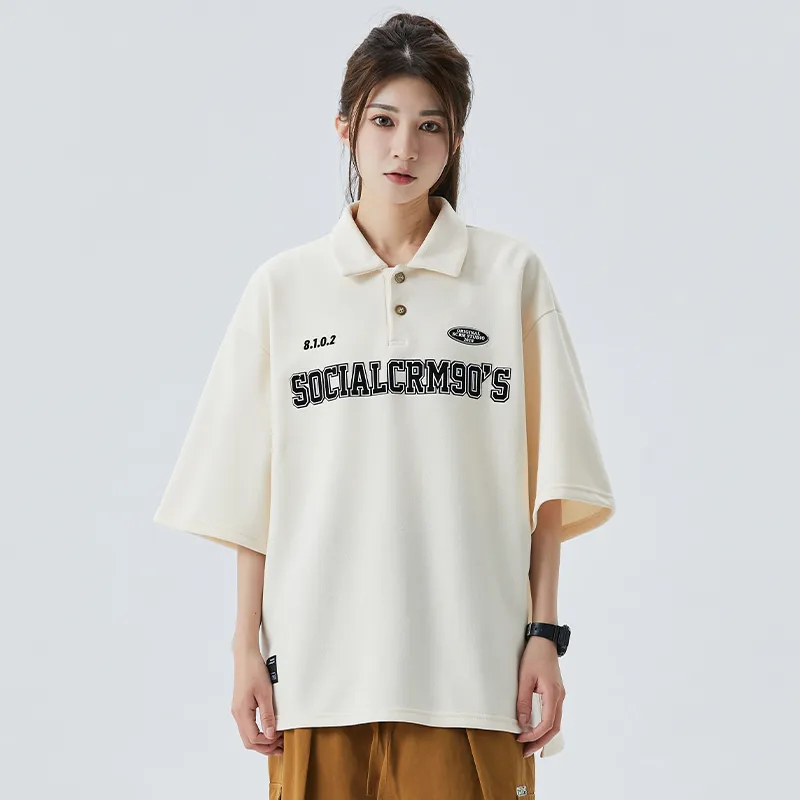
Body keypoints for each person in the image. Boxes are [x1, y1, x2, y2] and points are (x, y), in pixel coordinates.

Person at [153, 12, 615, 800]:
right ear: (345, 127)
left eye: (430, 126)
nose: (404, 148)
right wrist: (244, 649)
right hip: (316, 681)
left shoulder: (510, 278)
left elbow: (550, 483)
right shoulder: (284, 289)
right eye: (383, 121)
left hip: (474, 677)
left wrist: (544, 635)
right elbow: (250, 494)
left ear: (456, 140)